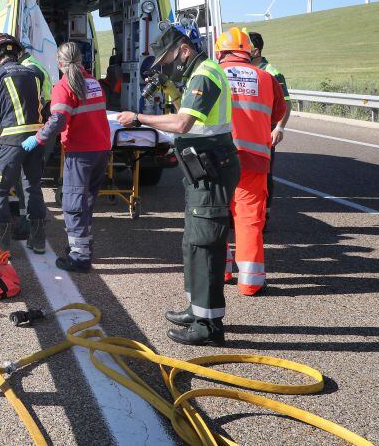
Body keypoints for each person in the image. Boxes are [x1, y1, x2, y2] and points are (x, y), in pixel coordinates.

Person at [116, 23, 239, 346]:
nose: (166, 67)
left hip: (212, 170)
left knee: (206, 246)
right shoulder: (195, 75)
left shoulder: (204, 74)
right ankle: (196, 309)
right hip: (201, 170)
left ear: (184, 50)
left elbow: (183, 123)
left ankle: (209, 326)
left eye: (167, 60)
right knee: (193, 243)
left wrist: (139, 118)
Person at [215, 28, 287, 296]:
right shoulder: (267, 78)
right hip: (255, 160)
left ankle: (219, 272)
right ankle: (250, 283)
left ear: (220, 52)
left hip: (219, 158)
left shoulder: (214, 73)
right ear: (248, 52)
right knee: (248, 221)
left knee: (216, 215)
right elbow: (278, 112)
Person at [34, 42, 111, 272]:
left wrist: (38, 139)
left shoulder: (63, 85)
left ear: (60, 63)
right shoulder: (94, 82)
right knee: (85, 202)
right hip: (101, 151)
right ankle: (83, 248)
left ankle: (79, 257)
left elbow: (58, 120)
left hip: (81, 153)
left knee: (73, 204)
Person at [0, 37, 52, 224]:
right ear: (17, 52)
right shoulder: (33, 72)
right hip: (37, 136)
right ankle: (35, 237)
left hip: (11, 138)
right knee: (31, 186)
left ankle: (3, 242)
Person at [247, 31, 290, 216]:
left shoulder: (272, 72)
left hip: (266, 131)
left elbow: (286, 102)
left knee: (265, 174)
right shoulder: (242, 69)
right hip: (246, 131)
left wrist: (279, 128)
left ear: (255, 51)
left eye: (245, 47)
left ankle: (265, 214)